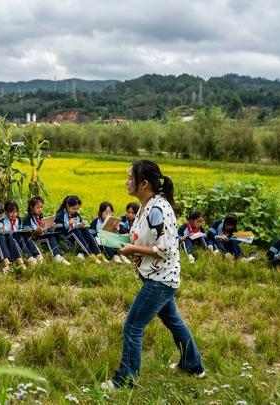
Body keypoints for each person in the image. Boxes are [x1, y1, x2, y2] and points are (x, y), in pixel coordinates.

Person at [102, 160, 204, 390]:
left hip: (160, 280)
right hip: (161, 277)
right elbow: (146, 237)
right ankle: (193, 365)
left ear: (144, 183)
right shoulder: (147, 204)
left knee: (132, 327)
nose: (127, 181)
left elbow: (166, 249)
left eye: (130, 177)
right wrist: (120, 239)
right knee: (174, 321)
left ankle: (126, 379)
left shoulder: (156, 209)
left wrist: (132, 249)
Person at [54, 195, 105, 263]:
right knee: (75, 231)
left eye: (77, 209)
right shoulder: (60, 215)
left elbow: (79, 224)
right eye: (73, 208)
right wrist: (68, 225)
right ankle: (89, 254)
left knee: (85, 230)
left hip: (76, 235)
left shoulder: (76, 214)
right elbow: (58, 231)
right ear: (67, 206)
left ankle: (98, 253)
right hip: (66, 236)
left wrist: (81, 225)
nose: (75, 211)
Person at [22, 196, 70, 266]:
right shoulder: (27, 219)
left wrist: (51, 227)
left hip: (44, 236)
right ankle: (57, 256)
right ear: (32, 207)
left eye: (41, 207)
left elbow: (47, 230)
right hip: (36, 239)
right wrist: (37, 231)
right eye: (38, 208)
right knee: (50, 237)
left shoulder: (42, 216)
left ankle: (64, 252)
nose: (40, 209)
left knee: (56, 234)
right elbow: (27, 234)